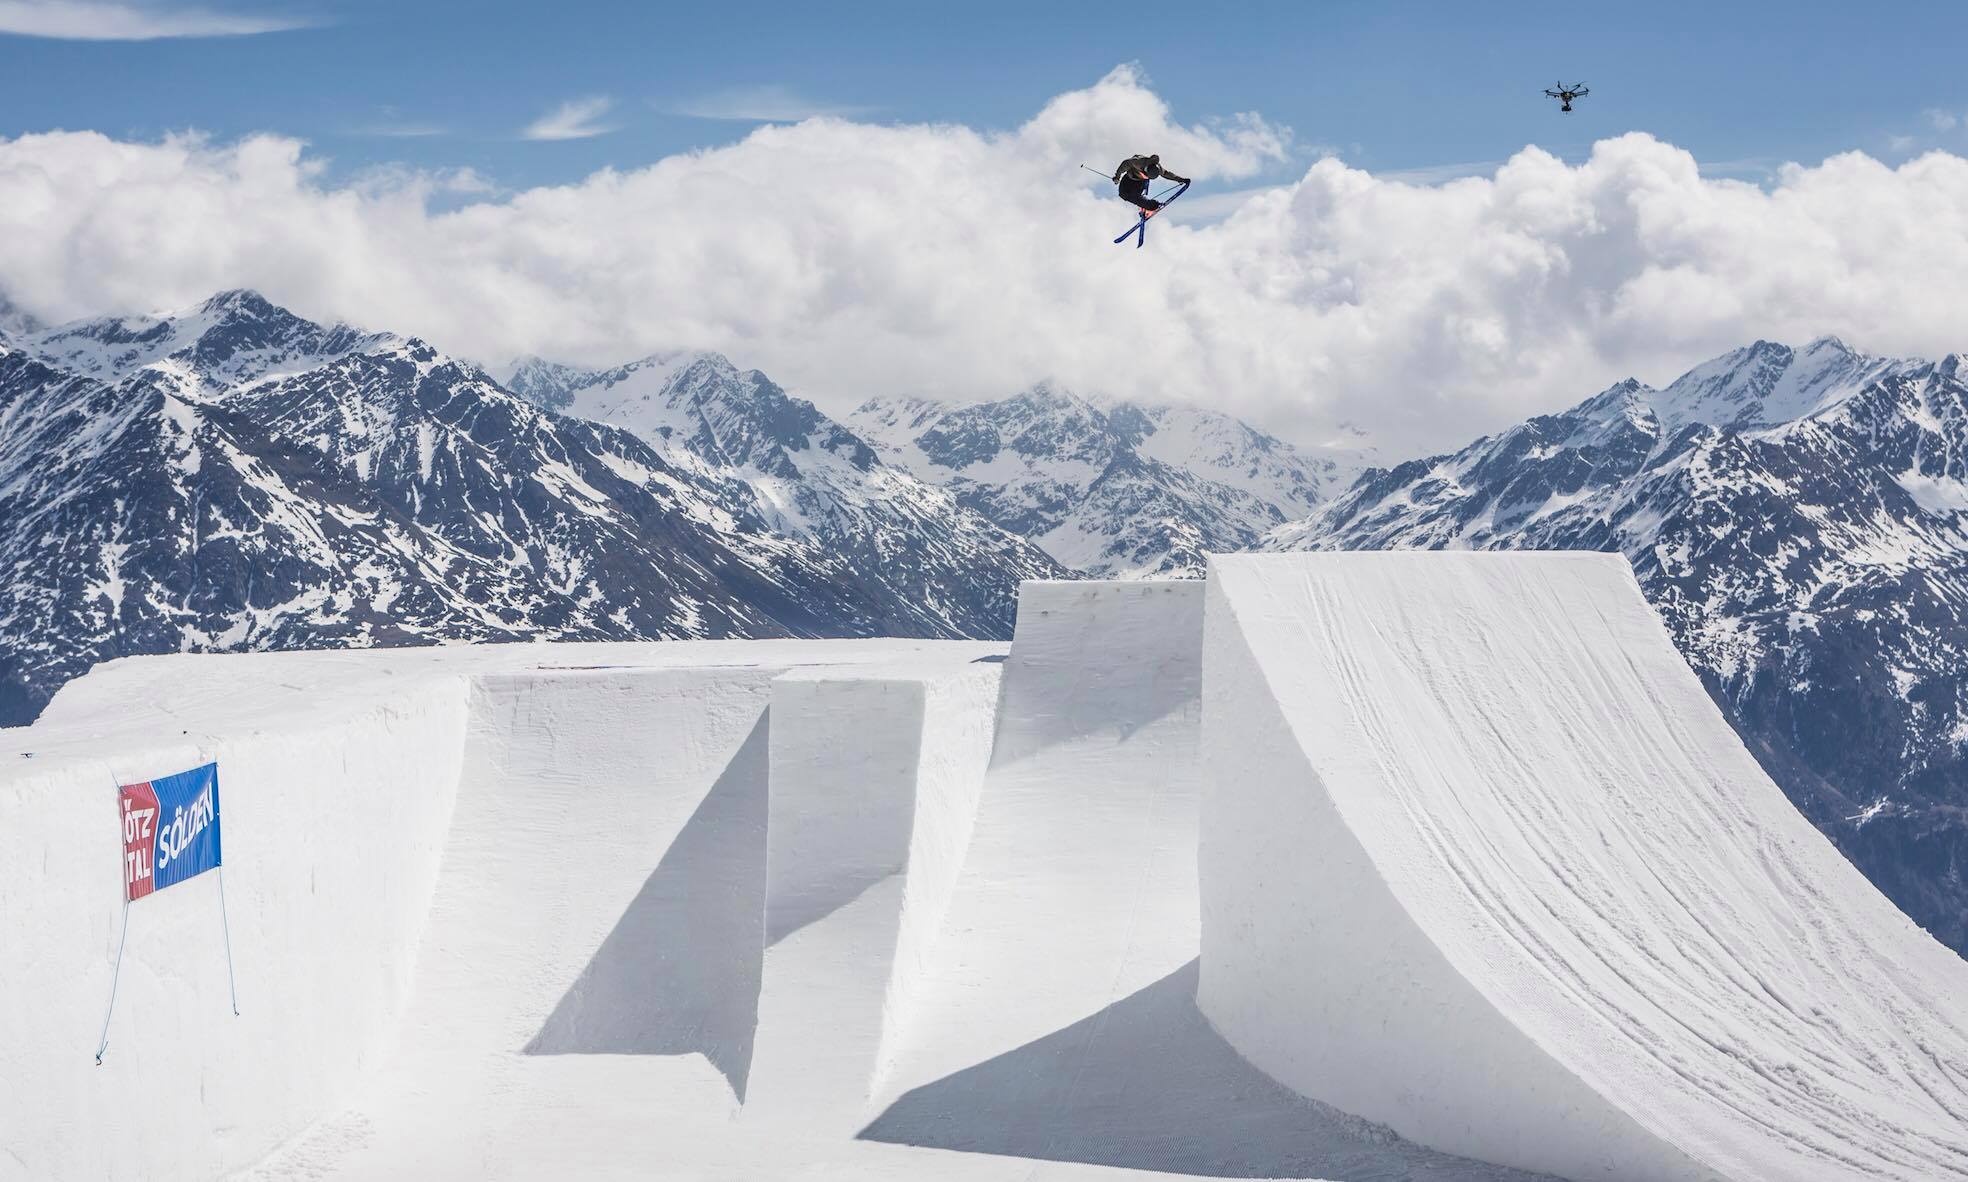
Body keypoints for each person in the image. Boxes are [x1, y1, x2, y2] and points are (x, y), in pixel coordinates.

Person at [1111, 154, 1191, 213]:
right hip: (1129, 178)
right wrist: (1117, 177)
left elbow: (1167, 174)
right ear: (1144, 170)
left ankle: (1152, 206)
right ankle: (1144, 205)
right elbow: (1123, 166)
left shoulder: (1158, 169)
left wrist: (1181, 179)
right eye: (1145, 176)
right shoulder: (1137, 162)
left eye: (1148, 178)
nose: (1146, 177)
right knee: (1123, 194)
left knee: (1135, 197)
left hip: (1140, 183)